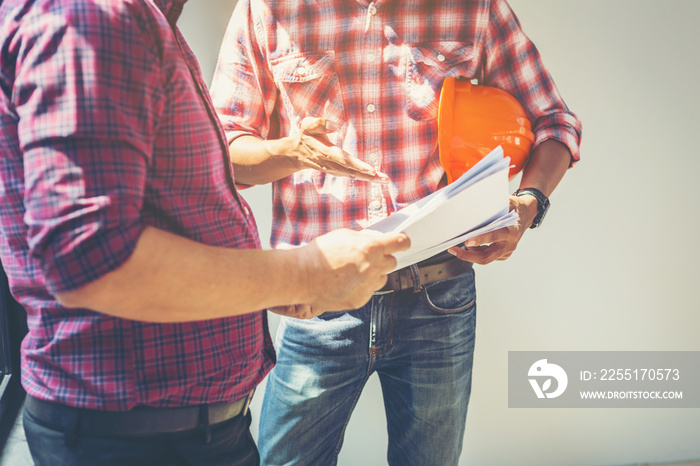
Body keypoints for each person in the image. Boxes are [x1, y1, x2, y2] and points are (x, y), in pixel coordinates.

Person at [0, 0, 410, 465]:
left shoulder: (141, 22)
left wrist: (268, 286)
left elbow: (167, 214)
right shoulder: (93, 14)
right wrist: (304, 272)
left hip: (171, 430)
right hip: (135, 438)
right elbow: (92, 260)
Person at [210, 0, 582, 464]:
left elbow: (554, 119)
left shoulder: (474, 8)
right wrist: (294, 151)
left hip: (439, 297)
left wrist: (529, 204)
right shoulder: (268, 9)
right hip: (316, 302)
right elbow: (223, 149)